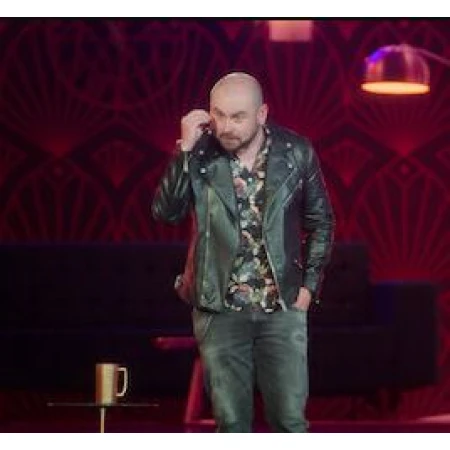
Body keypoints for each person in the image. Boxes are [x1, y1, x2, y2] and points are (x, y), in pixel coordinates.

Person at [151, 72, 335, 432]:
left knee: (289, 423)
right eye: (218, 115)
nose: (226, 126)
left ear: (262, 114)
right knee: (232, 424)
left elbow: (321, 221)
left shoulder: (296, 151)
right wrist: (183, 149)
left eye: (238, 117)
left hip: (282, 306)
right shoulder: (199, 152)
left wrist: (307, 289)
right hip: (218, 308)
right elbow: (166, 213)